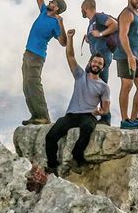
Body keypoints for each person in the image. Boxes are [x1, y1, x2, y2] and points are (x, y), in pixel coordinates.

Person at [45, 28, 111, 174]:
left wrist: (101, 112)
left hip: (88, 115)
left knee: (87, 128)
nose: (96, 65)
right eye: (94, 62)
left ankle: (77, 156)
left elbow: (106, 108)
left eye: (99, 63)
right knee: (50, 137)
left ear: (103, 67)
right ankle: (52, 165)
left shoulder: (104, 87)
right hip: (72, 115)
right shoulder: (80, 75)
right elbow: (70, 56)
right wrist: (69, 38)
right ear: (90, 62)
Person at [22, 0, 67, 125]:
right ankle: (35, 116)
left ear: (57, 8)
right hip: (28, 53)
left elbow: (63, 43)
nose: (50, 2)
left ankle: (43, 116)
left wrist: (61, 25)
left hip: (37, 56)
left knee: (34, 83)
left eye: (53, 2)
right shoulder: (43, 12)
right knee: (26, 85)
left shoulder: (56, 22)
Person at [114, 0, 138, 129]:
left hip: (135, 56)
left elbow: (136, 37)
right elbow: (123, 35)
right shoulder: (126, 14)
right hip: (125, 55)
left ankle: (134, 118)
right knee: (127, 85)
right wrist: (129, 55)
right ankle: (125, 120)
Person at [81, 0, 118, 125]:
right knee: (97, 85)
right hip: (98, 57)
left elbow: (115, 24)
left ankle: (100, 117)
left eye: (82, 8)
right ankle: (103, 117)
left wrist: (101, 34)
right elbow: (96, 38)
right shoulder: (92, 22)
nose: (81, 11)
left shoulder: (99, 17)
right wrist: (89, 38)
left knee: (92, 83)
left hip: (103, 57)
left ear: (85, 7)